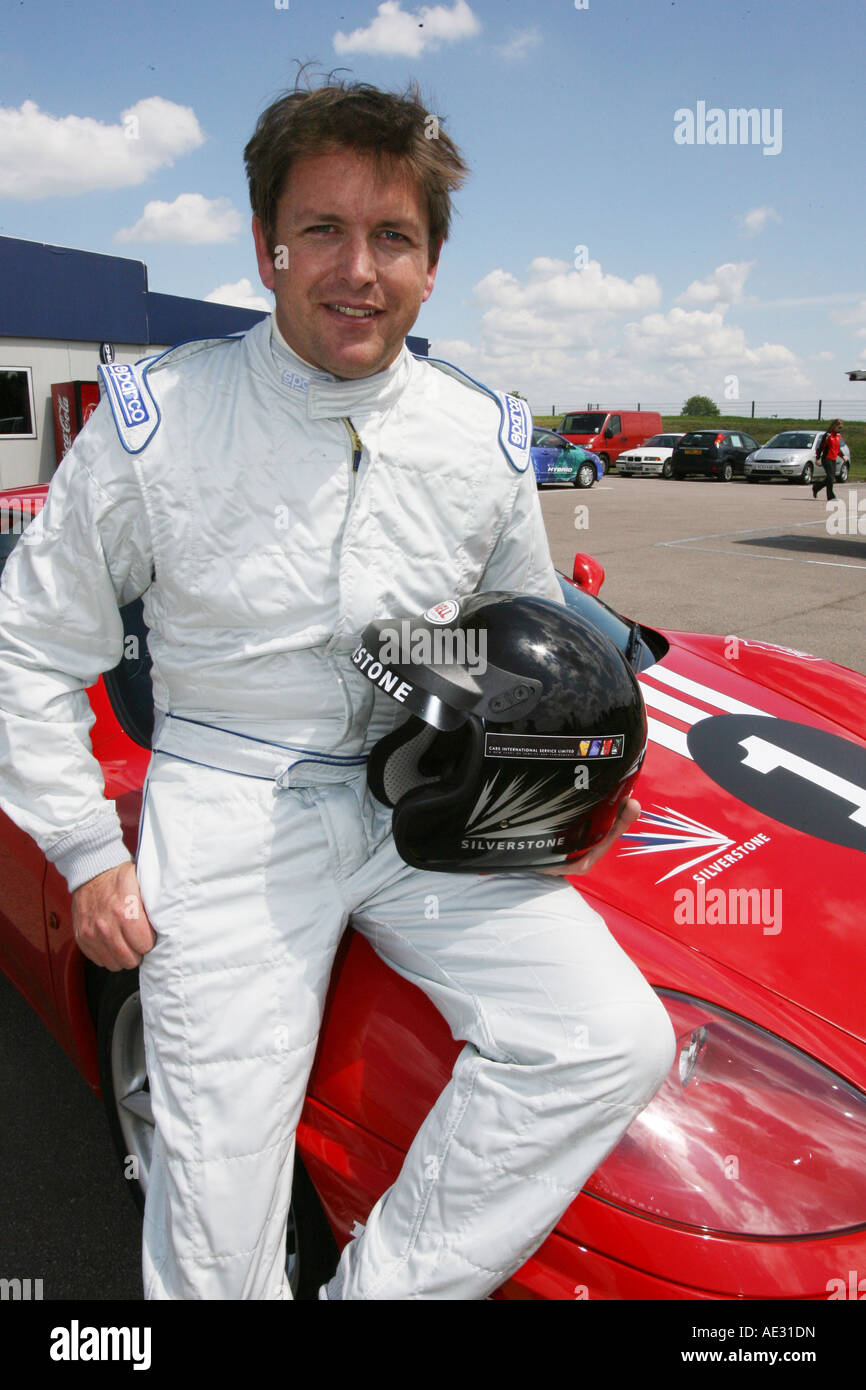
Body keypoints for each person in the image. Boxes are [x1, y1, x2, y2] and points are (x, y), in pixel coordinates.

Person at [0, 79, 675, 1300]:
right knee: (215, 1232)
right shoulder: (160, 423)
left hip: (424, 806)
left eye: (392, 237)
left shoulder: (478, 432)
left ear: (430, 268)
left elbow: (523, 645)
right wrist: (85, 851)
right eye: (321, 229)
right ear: (266, 249)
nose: (355, 269)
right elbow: (28, 646)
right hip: (229, 806)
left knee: (605, 1040)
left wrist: (564, 780)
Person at [813, 419, 844, 500]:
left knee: (830, 478)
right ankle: (830, 496)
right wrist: (817, 458)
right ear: (834, 426)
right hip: (826, 459)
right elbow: (820, 448)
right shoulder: (827, 435)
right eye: (839, 427)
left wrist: (843, 456)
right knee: (830, 478)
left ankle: (816, 487)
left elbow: (837, 449)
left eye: (841, 428)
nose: (840, 429)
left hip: (833, 459)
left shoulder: (838, 436)